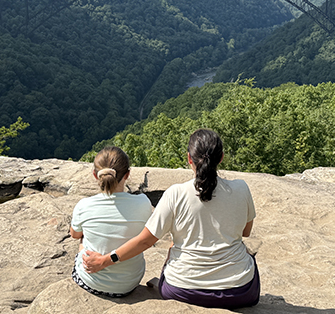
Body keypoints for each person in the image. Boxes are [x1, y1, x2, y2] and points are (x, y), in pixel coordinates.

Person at [83, 129, 259, 309]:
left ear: (189, 159)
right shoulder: (241, 188)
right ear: (221, 157)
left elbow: (144, 241)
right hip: (240, 291)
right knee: (248, 257)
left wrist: (104, 261)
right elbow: (245, 232)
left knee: (172, 249)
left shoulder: (176, 193)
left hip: (182, 289)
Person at [70, 146, 152, 297]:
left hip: (92, 282)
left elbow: (74, 234)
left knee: (83, 237)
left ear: (95, 175)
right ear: (127, 174)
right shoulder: (143, 202)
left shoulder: (84, 205)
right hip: (130, 282)